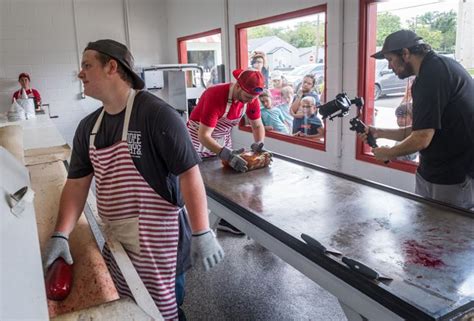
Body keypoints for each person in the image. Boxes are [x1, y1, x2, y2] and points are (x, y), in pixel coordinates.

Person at [42, 39, 224, 321]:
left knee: (168, 307)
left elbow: (189, 174)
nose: (80, 74)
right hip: (118, 237)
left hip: (161, 241)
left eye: (87, 65)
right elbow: (77, 183)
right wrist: (60, 234)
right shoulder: (89, 127)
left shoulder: (157, 115)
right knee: (131, 304)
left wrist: (202, 231)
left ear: (111, 67)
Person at [361, 29, 474, 209]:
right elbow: (421, 130)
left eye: (390, 59)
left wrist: (387, 153)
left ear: (405, 53)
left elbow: (421, 139)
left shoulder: (433, 75)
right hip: (434, 171)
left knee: (443, 234)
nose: (389, 67)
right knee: (425, 229)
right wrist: (380, 132)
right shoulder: (435, 68)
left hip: (452, 176)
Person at [187, 68, 266, 234]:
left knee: (228, 183)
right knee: (201, 185)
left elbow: (257, 125)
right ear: (238, 86)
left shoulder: (251, 98)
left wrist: (258, 143)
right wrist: (225, 155)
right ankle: (198, 228)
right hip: (197, 140)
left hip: (222, 138)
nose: (249, 102)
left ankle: (225, 220)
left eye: (253, 98)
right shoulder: (214, 95)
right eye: (247, 97)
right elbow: (204, 135)